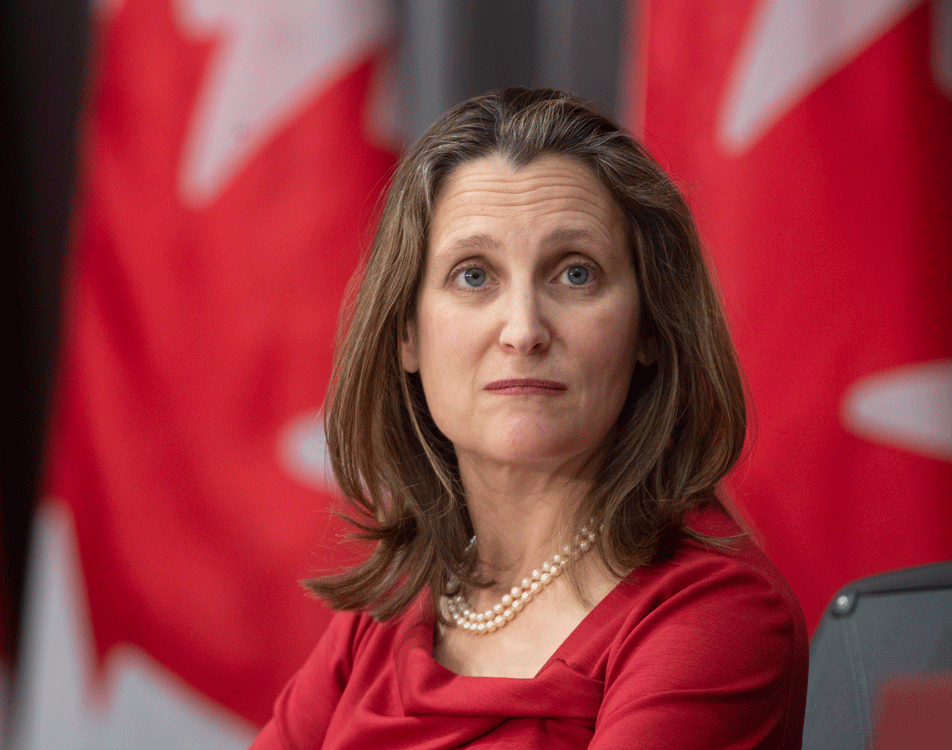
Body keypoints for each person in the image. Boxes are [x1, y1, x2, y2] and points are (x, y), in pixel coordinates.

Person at [250, 88, 808, 750]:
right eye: (473, 276)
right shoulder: (384, 616)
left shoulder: (717, 615)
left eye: (575, 274)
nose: (523, 330)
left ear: (649, 328)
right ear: (407, 336)